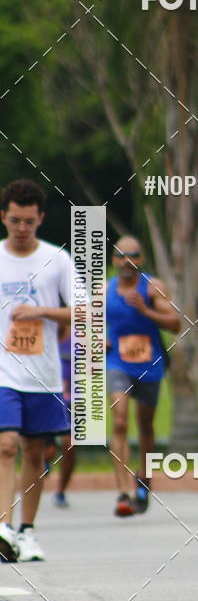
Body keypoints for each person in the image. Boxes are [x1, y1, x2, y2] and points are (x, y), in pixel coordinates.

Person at [0, 179, 71, 562]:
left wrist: (41, 311)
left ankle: (27, 531)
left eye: (29, 221)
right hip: (2, 373)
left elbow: (85, 311)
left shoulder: (56, 259)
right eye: (15, 220)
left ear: (40, 218)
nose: (22, 228)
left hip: (42, 373)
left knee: (35, 451)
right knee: (5, 443)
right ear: (3, 217)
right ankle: (3, 527)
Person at [106, 236, 180, 517]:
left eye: (133, 255)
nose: (127, 261)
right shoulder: (105, 290)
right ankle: (123, 492)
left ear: (141, 259)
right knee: (121, 418)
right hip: (117, 363)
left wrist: (145, 310)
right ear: (113, 260)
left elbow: (175, 323)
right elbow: (89, 324)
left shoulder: (152, 287)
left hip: (149, 364)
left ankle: (143, 480)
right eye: (121, 256)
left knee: (145, 427)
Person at [53, 325, 76, 507]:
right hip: (46, 394)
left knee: (69, 445)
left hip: (73, 398)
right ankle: (43, 461)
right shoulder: (45, 327)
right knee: (46, 449)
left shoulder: (83, 331)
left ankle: (60, 490)